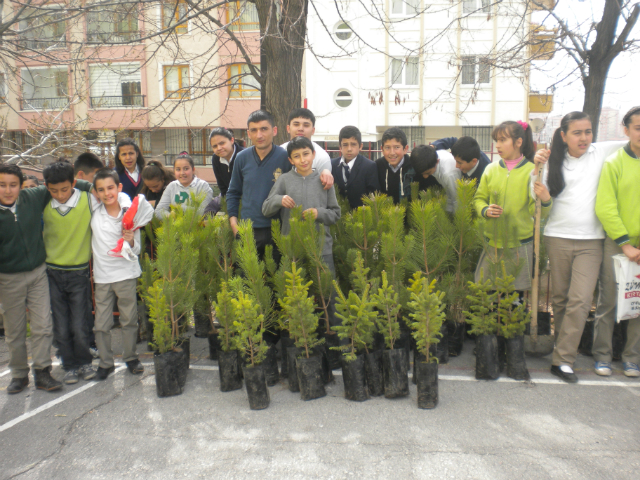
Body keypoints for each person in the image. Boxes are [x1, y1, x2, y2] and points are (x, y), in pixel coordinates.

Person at [533, 112, 626, 383]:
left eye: (588, 131)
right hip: (557, 237)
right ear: (563, 136)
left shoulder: (602, 152)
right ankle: (563, 350)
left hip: (591, 242)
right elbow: (534, 192)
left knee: (581, 301)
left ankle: (563, 360)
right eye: (577, 133)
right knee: (560, 300)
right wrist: (536, 163)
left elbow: (632, 141)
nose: (584, 138)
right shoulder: (551, 162)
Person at [0, 164, 91, 394]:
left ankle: (42, 372)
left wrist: (94, 187)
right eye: (2, 185)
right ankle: (19, 375)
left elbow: (67, 182)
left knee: (43, 326)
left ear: (21, 186)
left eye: (13, 185)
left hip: (39, 273)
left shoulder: (32, 196)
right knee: (15, 330)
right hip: (8, 278)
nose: (8, 190)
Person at [474, 120, 551, 292]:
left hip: (520, 244)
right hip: (492, 242)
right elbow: (478, 199)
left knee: (516, 298)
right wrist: (485, 210)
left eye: (503, 140)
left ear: (518, 142)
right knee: (487, 293)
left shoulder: (532, 171)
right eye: (497, 141)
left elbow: (537, 211)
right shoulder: (490, 169)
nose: (498, 146)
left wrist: (545, 200)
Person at [91, 169, 153, 380]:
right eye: (101, 190)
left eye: (110, 188)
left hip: (126, 274)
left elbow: (136, 251)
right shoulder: (94, 212)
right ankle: (105, 363)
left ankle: (131, 357)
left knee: (129, 320)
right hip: (102, 277)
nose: (106, 193)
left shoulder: (130, 214)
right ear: (96, 193)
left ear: (118, 188)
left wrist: (130, 239)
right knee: (102, 324)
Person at [42, 161, 100, 384]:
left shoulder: (87, 198)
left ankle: (85, 362)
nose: (60, 195)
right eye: (54, 190)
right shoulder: (44, 201)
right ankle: (70, 365)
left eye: (65, 189)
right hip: (52, 273)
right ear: (47, 187)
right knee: (61, 324)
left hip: (78, 273)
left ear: (74, 183)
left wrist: (87, 185)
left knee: (79, 322)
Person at [594, 106, 640, 378]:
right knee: (608, 301)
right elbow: (605, 206)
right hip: (617, 243)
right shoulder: (614, 163)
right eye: (638, 128)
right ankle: (602, 356)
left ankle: (632, 358)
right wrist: (625, 243)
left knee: (637, 303)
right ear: (626, 130)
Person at [262, 136, 341, 270]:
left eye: (306, 154)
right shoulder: (284, 180)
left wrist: (318, 213)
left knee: (325, 289)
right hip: (292, 249)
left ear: (313, 154)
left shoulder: (324, 181)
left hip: (321, 248)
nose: (303, 160)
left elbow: (336, 214)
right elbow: (266, 209)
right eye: (297, 156)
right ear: (291, 160)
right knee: (293, 290)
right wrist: (279, 200)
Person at [227, 110, 293, 259]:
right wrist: (234, 225)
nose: (259, 135)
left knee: (276, 280)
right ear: (248, 133)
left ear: (274, 130)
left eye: (264, 129)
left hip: (277, 230)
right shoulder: (241, 158)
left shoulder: (285, 158)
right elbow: (233, 193)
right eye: (254, 130)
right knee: (247, 280)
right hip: (247, 231)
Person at [280, 108, 334, 190]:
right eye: (296, 124)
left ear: (313, 130)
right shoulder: (280, 152)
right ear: (288, 128)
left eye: (306, 125)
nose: (300, 129)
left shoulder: (322, 157)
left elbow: (323, 190)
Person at [331, 125, 380, 209]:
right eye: (345, 145)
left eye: (353, 144)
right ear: (340, 147)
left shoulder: (369, 166)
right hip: (337, 216)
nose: (349, 149)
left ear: (360, 146)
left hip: (361, 216)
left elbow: (373, 196)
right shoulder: (332, 164)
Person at [154, 153, 213, 219]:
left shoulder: (203, 186)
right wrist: (172, 217)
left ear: (193, 170)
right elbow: (159, 211)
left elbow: (203, 212)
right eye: (178, 169)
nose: (182, 173)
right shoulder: (171, 186)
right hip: (174, 227)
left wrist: (179, 209)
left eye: (186, 169)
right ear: (174, 171)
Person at [410, 144, 460, 213]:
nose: (425, 177)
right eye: (422, 174)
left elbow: (457, 200)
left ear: (437, 161)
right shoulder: (430, 157)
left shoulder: (449, 173)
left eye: (428, 173)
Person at [375, 127, 416, 204]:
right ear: (382, 149)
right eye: (387, 148)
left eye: (397, 147)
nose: (392, 153)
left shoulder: (413, 167)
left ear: (405, 149)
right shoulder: (376, 167)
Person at [209, 127, 244, 197]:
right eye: (215, 146)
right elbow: (222, 186)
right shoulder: (216, 159)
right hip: (229, 198)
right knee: (210, 207)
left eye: (222, 143)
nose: (219, 148)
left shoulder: (244, 156)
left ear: (232, 140)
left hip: (247, 199)